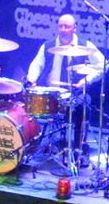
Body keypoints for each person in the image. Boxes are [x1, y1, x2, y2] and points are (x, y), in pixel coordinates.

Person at [25, 13, 104, 150]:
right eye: (60, 26)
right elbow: (36, 65)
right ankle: (33, 144)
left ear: (74, 28)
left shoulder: (85, 45)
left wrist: (87, 80)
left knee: (84, 105)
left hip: (75, 92)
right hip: (52, 93)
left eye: (67, 26)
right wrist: (32, 79)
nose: (63, 29)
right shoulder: (48, 46)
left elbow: (103, 65)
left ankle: (78, 147)